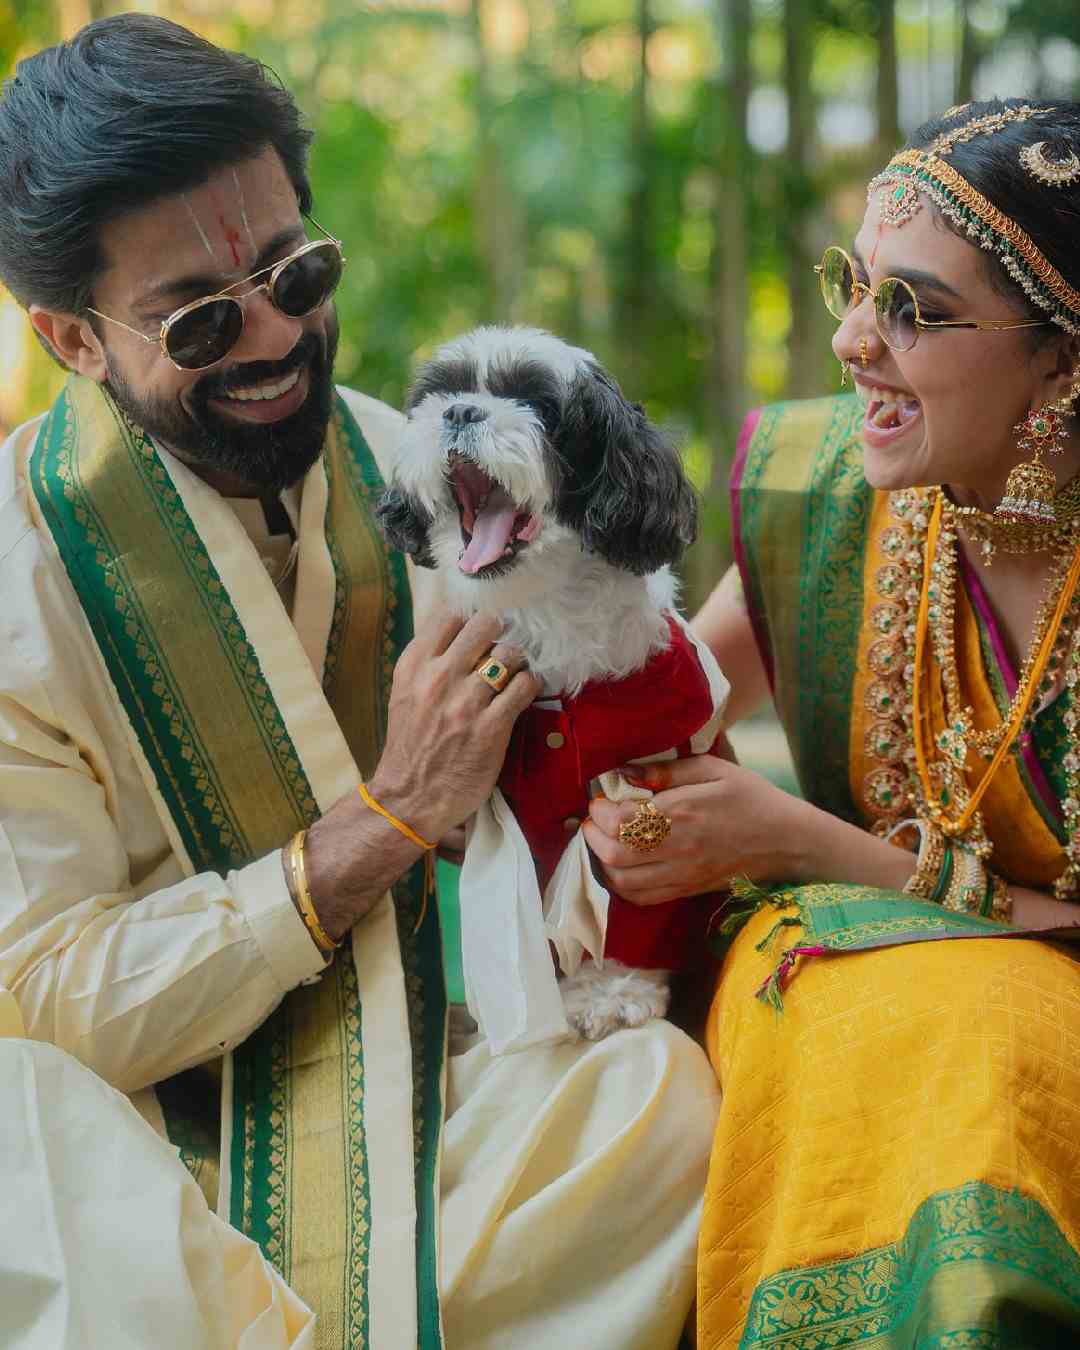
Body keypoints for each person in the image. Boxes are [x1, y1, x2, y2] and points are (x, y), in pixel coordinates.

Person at [0, 15, 720, 1348]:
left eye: (296, 269)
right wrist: (374, 831)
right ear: (74, 338)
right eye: (204, 319)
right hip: (158, 1153)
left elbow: (613, 702)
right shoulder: (15, 579)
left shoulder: (418, 471)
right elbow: (46, 998)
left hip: (423, 1090)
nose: (275, 335)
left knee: (650, 1096)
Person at [586, 97, 1080, 1346]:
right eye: (854, 286)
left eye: (914, 308)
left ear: (1063, 364)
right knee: (861, 1006)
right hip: (855, 997)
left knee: (975, 1038)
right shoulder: (825, 500)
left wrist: (809, 845)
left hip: (1027, 1038)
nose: (855, 339)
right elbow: (642, 719)